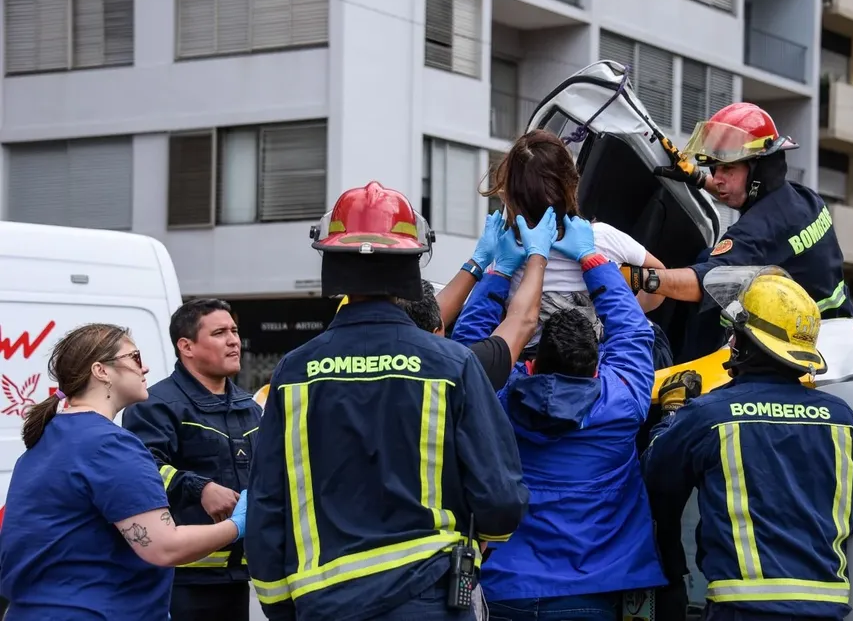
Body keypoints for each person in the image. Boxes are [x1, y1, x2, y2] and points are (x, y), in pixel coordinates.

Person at [245, 181, 530, 621]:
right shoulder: (451, 365)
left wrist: (280, 604)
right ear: (413, 264)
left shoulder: (294, 373)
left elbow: (267, 502)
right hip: (430, 600)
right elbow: (500, 501)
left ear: (330, 260)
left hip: (325, 605)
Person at [453, 214, 667, 620]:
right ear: (597, 367)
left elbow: (469, 348)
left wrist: (498, 270)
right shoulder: (623, 401)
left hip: (502, 590)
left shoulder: (495, 398)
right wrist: (592, 258)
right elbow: (634, 332)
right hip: (592, 593)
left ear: (530, 364)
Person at [641, 267, 853, 621]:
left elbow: (654, 476)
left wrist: (673, 411)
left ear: (748, 343)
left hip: (744, 609)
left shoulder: (710, 414)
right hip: (827, 609)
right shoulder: (841, 418)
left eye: (735, 335)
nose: (731, 343)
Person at [0, 324, 248, 620]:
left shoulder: (46, 441)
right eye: (135, 357)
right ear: (101, 371)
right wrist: (239, 523)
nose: (145, 367)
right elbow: (165, 547)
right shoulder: (109, 444)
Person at [629, 102, 853, 361]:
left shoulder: (757, 231)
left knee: (714, 281)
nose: (718, 178)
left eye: (728, 169)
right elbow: (744, 191)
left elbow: (705, 282)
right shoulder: (804, 199)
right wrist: (698, 178)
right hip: (837, 326)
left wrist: (639, 278)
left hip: (802, 346)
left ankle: (688, 368)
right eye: (715, 169)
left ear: (759, 168)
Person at [123, 299, 261, 621]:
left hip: (239, 576)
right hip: (180, 580)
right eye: (219, 333)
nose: (234, 341)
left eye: (234, 331)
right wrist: (200, 488)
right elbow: (141, 470)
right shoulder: (154, 406)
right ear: (186, 346)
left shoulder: (251, 409)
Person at [482, 129, 668, 352]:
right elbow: (662, 282)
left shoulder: (505, 253)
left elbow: (489, 317)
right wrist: (626, 313)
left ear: (509, 195)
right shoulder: (601, 237)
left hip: (528, 360)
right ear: (572, 184)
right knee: (654, 335)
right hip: (596, 358)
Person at [403, 208, 553, 391]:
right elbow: (523, 321)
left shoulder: (370, 347)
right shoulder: (462, 372)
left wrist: (486, 265)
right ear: (437, 332)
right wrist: (537, 257)